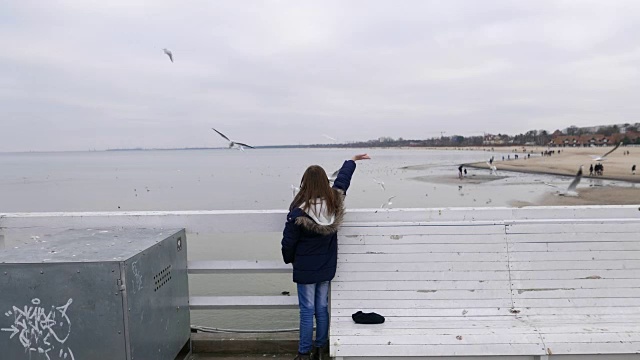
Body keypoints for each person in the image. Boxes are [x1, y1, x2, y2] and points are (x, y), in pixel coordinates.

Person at [282, 154, 370, 360]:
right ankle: (320, 349)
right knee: (321, 307)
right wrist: (351, 161)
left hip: (305, 267)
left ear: (305, 184)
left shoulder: (298, 212)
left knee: (307, 310)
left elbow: (288, 244)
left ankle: (304, 353)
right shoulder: (334, 203)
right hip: (326, 267)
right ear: (324, 182)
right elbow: (342, 181)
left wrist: (290, 259)